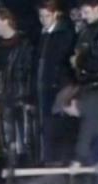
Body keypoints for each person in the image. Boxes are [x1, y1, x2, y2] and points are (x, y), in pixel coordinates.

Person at [0, 8, 34, 181]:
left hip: (22, 98)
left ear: (6, 21)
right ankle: (11, 178)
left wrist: (30, 98)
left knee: (27, 139)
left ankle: (28, 178)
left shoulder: (24, 43)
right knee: (8, 140)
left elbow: (29, 72)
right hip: (3, 98)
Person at [35, 0, 76, 165]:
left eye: (47, 16)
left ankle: (59, 171)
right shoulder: (42, 35)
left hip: (57, 90)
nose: (44, 19)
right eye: (41, 16)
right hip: (43, 90)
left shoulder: (64, 35)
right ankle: (49, 168)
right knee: (46, 130)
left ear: (56, 15)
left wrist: (62, 88)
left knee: (58, 130)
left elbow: (64, 64)